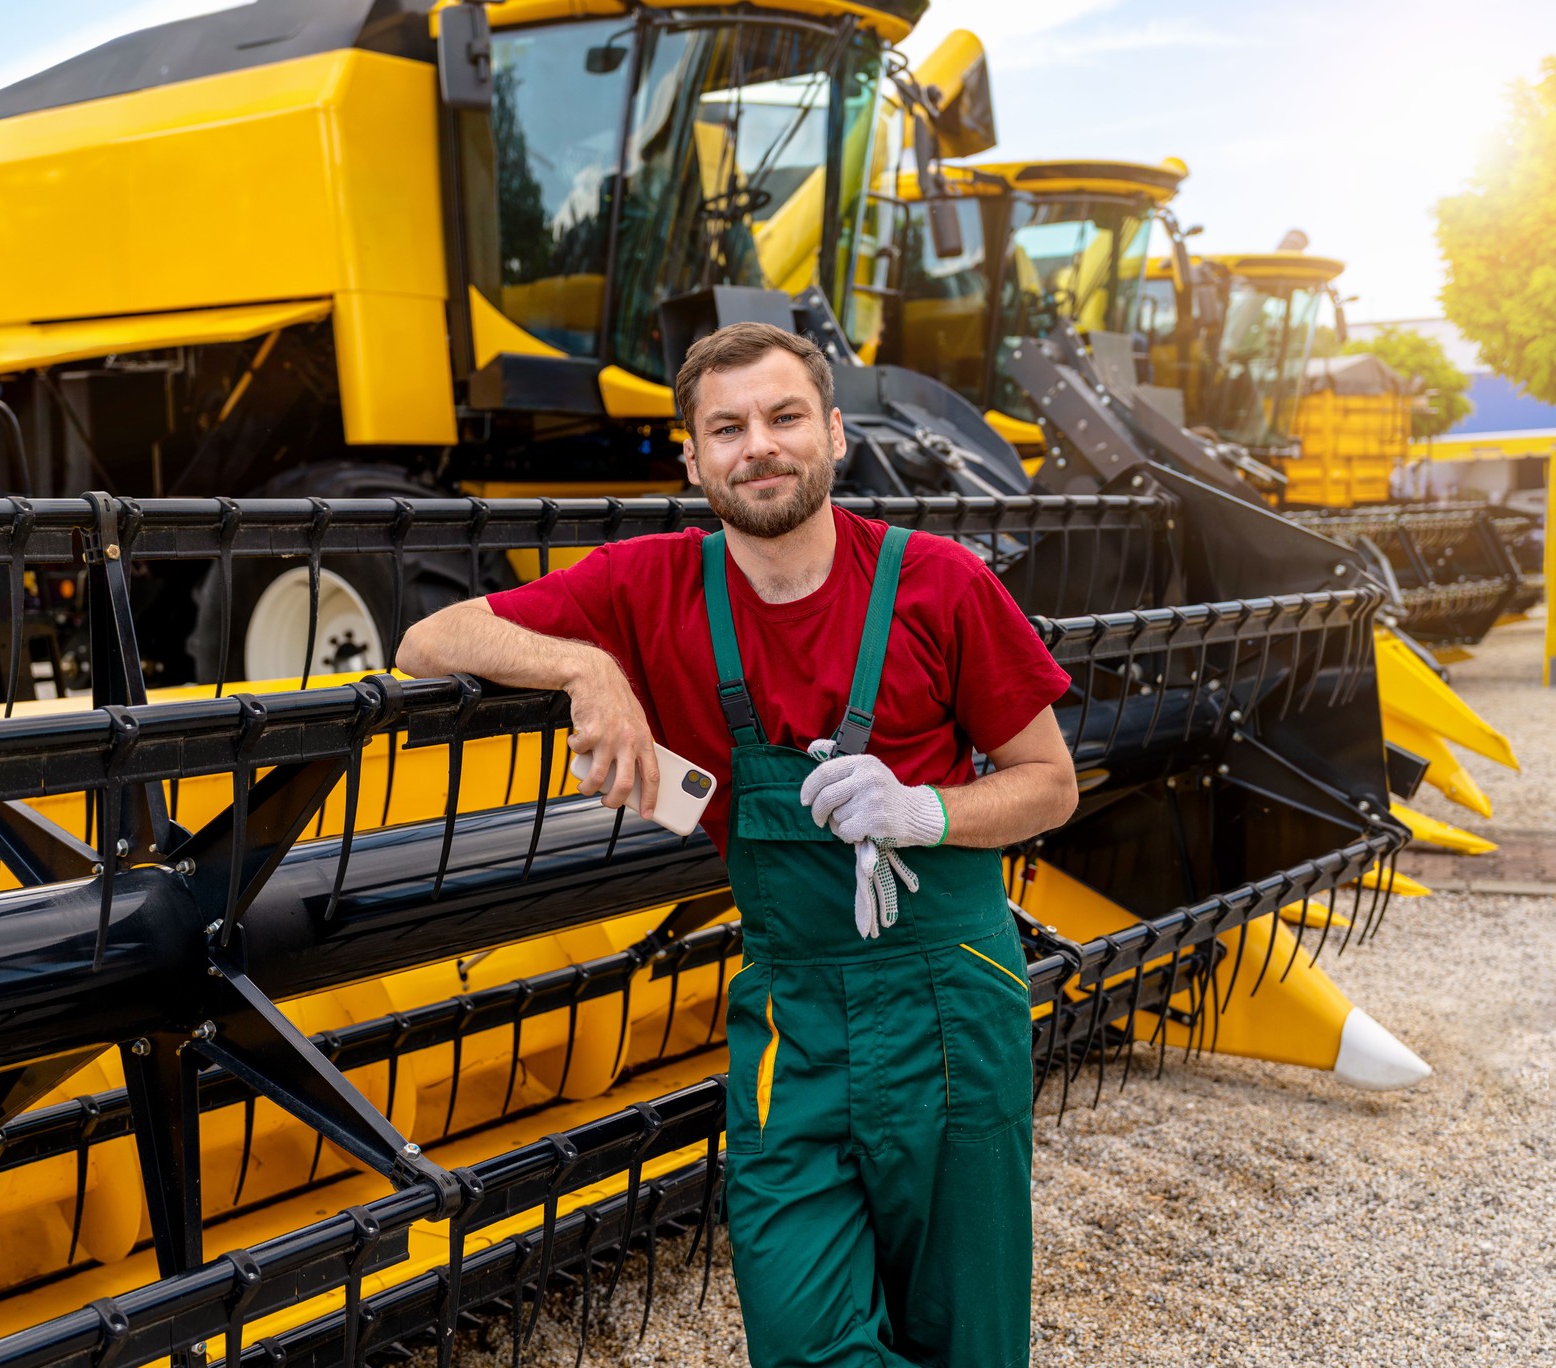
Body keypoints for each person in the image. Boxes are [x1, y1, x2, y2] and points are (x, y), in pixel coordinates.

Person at [398, 322, 1077, 1367]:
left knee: (967, 1338)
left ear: (835, 434)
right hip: (791, 1022)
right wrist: (590, 672)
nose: (758, 445)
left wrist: (924, 812)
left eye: (784, 417)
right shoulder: (648, 584)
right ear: (692, 459)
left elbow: (1050, 784)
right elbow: (427, 639)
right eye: (727, 428)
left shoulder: (940, 584)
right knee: (802, 1340)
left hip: (951, 1006)